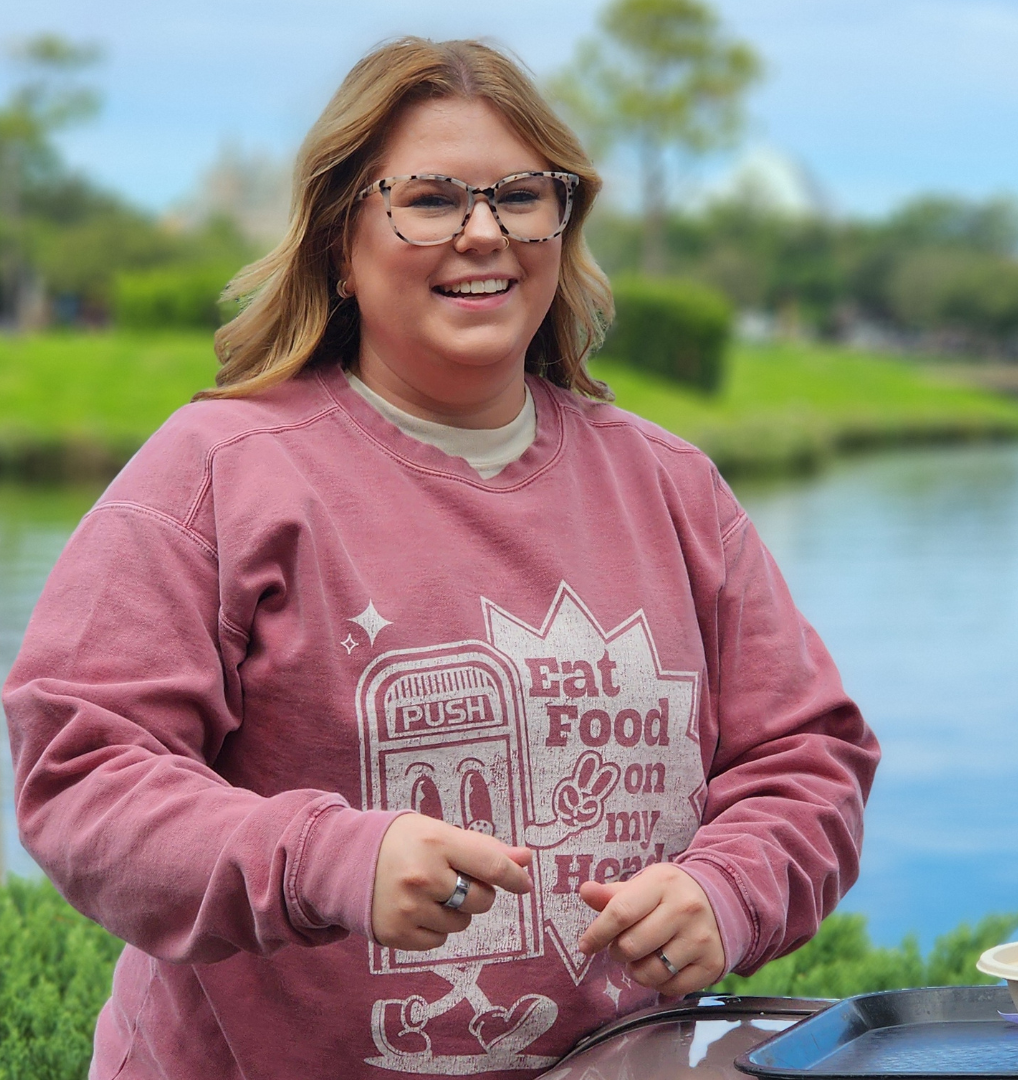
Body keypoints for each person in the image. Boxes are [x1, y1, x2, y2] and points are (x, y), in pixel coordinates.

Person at [2, 37, 879, 1080]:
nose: (484, 232)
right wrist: (330, 861)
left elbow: (810, 762)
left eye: (521, 195)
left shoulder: (672, 486)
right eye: (429, 199)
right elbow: (83, 776)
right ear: (338, 242)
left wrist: (727, 892)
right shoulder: (216, 476)